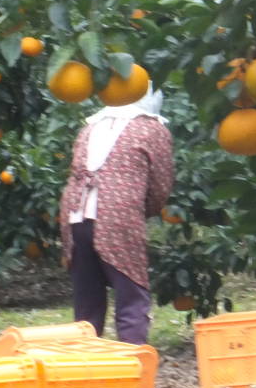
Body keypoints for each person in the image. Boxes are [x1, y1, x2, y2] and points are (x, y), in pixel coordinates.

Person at [59, 86, 174, 345]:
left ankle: (85, 366)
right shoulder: (153, 129)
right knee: (131, 294)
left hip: (75, 215)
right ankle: (132, 364)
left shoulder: (90, 127)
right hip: (117, 216)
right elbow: (160, 185)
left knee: (87, 302)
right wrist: (145, 211)